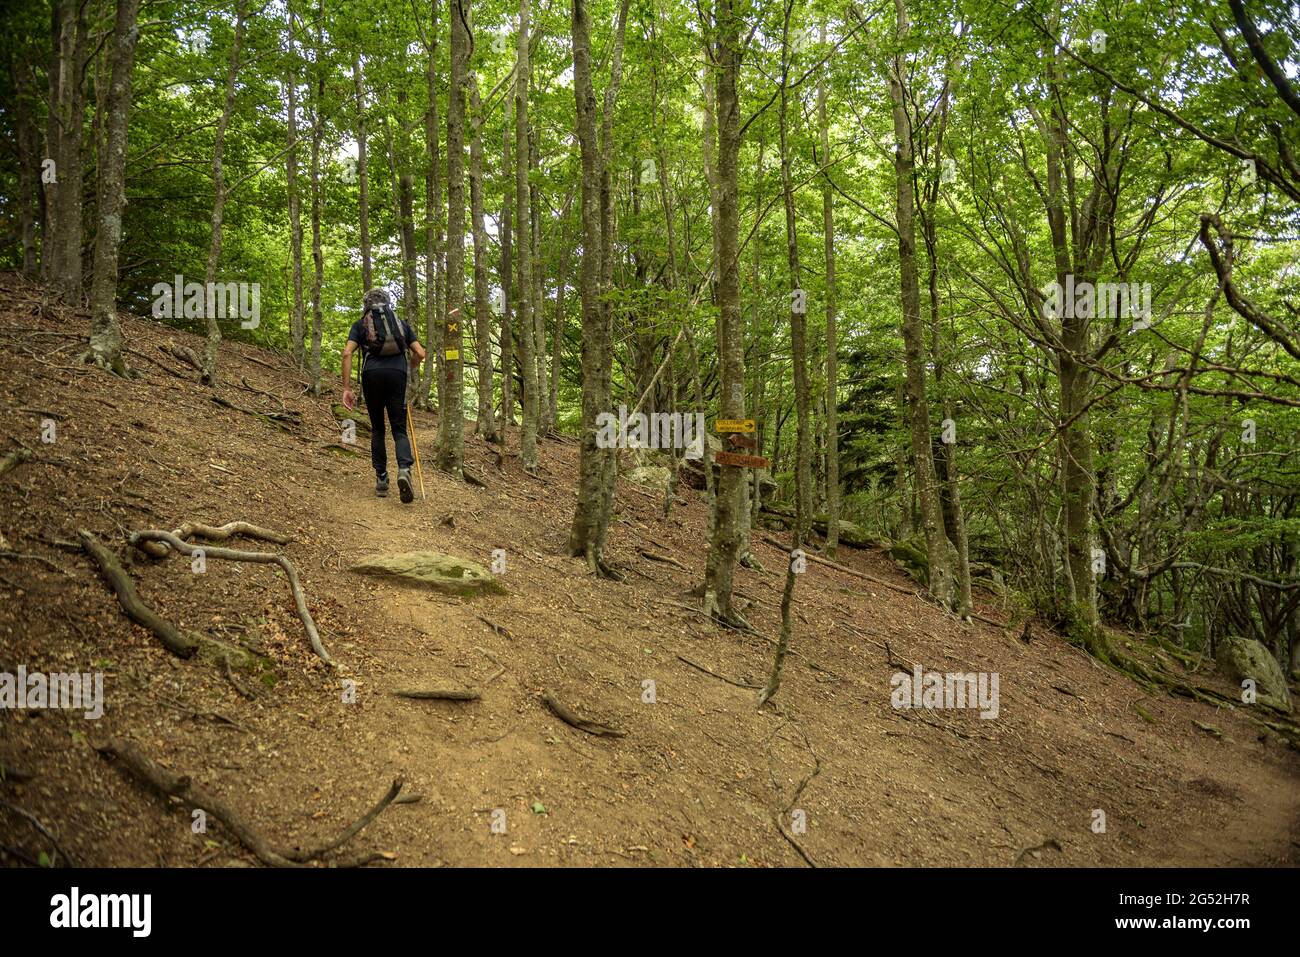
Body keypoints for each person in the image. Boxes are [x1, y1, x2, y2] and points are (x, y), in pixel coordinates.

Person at [341, 288, 426, 502]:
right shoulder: (401, 324)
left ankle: (381, 478)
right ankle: (404, 469)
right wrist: (411, 366)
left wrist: (346, 388)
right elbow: (421, 353)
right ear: (387, 304)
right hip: (397, 374)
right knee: (399, 427)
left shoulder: (360, 325)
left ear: (366, 305)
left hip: (372, 375)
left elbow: (347, 353)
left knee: (378, 428)